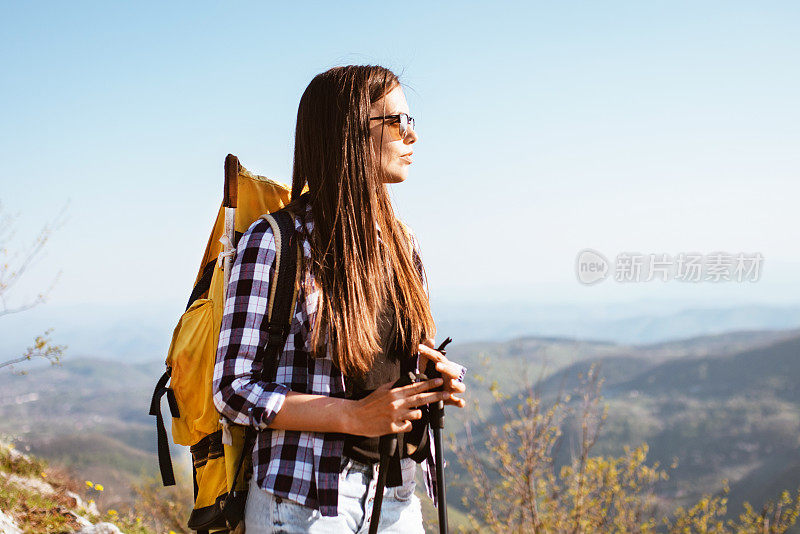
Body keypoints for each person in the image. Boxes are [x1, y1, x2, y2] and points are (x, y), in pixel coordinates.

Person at [212, 65, 467, 534]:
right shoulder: (275, 242)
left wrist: (432, 377)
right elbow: (232, 389)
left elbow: (393, 359)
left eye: (413, 122)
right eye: (396, 122)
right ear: (348, 132)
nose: (412, 136)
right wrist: (354, 416)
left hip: (396, 493)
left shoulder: (403, 243)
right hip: (302, 503)